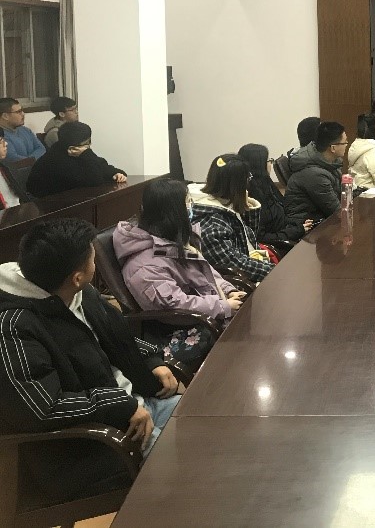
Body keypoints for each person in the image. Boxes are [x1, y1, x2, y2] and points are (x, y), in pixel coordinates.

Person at [0, 219, 182, 503]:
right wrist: (120, 404)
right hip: (85, 447)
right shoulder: (14, 326)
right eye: (93, 258)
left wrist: (151, 360)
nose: (96, 264)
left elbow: (118, 336)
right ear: (77, 276)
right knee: (187, 466)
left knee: (200, 420)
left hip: (132, 408)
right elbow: (41, 409)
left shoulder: (79, 293)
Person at [114, 178, 245, 367]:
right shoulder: (143, 265)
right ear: (172, 212)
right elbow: (174, 304)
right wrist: (222, 306)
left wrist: (228, 290)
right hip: (176, 326)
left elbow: (204, 270)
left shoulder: (171, 239)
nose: (191, 206)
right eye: (186, 202)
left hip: (204, 311)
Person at [189, 154, 272, 284]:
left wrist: (247, 206)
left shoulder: (225, 202)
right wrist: (273, 270)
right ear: (237, 184)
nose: (249, 182)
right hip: (241, 284)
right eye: (247, 177)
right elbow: (237, 264)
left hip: (252, 266)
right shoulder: (213, 224)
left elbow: (249, 239)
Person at [238, 143, 311, 250]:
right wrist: (297, 231)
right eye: (268, 160)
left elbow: (281, 210)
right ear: (259, 165)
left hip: (285, 232)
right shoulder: (251, 197)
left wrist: (298, 225)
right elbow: (261, 237)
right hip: (277, 246)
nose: (270, 163)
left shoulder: (265, 183)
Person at [26, 122, 127, 198]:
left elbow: (99, 164)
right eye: (87, 143)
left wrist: (115, 173)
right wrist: (87, 153)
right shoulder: (56, 161)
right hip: (51, 207)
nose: (89, 146)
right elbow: (95, 180)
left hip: (71, 199)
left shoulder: (69, 151)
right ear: (72, 148)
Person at [284, 121, 347, 226]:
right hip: (307, 225)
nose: (346, 145)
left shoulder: (330, 162)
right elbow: (337, 212)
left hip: (321, 218)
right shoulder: (315, 174)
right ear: (333, 148)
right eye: (344, 142)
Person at [0, 97, 45, 162]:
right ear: (5, 116)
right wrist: (32, 161)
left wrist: (30, 160)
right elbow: (14, 160)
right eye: (19, 112)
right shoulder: (1, 136)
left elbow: (41, 149)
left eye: (22, 110)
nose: (23, 114)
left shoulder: (25, 130)